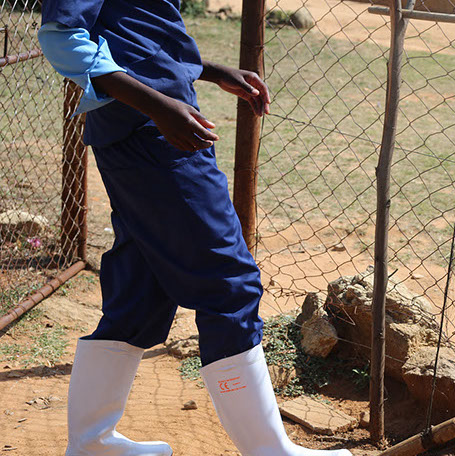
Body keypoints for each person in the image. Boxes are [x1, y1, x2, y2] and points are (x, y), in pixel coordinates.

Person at [38, 1, 352, 455]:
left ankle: (93, 444)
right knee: (229, 284)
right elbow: (61, 38)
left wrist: (205, 69)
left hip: (147, 128)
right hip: (152, 134)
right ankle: (269, 451)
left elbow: (133, 29)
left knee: (141, 291)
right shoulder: (153, 113)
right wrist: (158, 105)